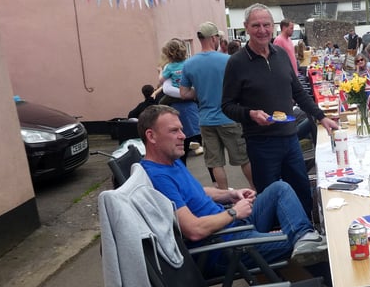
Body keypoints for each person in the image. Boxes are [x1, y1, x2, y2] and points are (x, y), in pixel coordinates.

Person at [137, 104, 328, 273]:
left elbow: (198, 192)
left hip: (232, 227)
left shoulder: (170, 160)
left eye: (181, 129)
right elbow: (193, 230)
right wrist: (234, 213)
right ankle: (334, 282)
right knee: (313, 247)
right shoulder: (158, 177)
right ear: (151, 136)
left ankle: (305, 235)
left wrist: (230, 194)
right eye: (174, 131)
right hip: (224, 247)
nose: (183, 136)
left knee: (279, 189)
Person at [221, 3, 340, 217]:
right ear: (246, 27)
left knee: (302, 191)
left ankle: (307, 237)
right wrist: (250, 114)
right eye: (256, 25)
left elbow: (299, 93)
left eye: (266, 24)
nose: (262, 30)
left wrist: (321, 117)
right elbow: (227, 106)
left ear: (273, 26)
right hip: (261, 144)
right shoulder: (236, 63)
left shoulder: (281, 55)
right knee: (270, 197)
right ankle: (277, 241)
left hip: (289, 138)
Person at [180, 21, 254, 190]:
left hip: (206, 120)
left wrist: (200, 91)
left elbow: (184, 93)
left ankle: (225, 195)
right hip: (229, 117)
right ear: (213, 38)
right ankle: (256, 190)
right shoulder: (228, 60)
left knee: (215, 163)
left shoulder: (189, 64)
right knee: (244, 159)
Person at [156, 38, 201, 165]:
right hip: (189, 92)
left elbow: (162, 83)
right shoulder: (188, 64)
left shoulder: (169, 67)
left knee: (161, 104)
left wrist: (160, 71)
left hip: (176, 96)